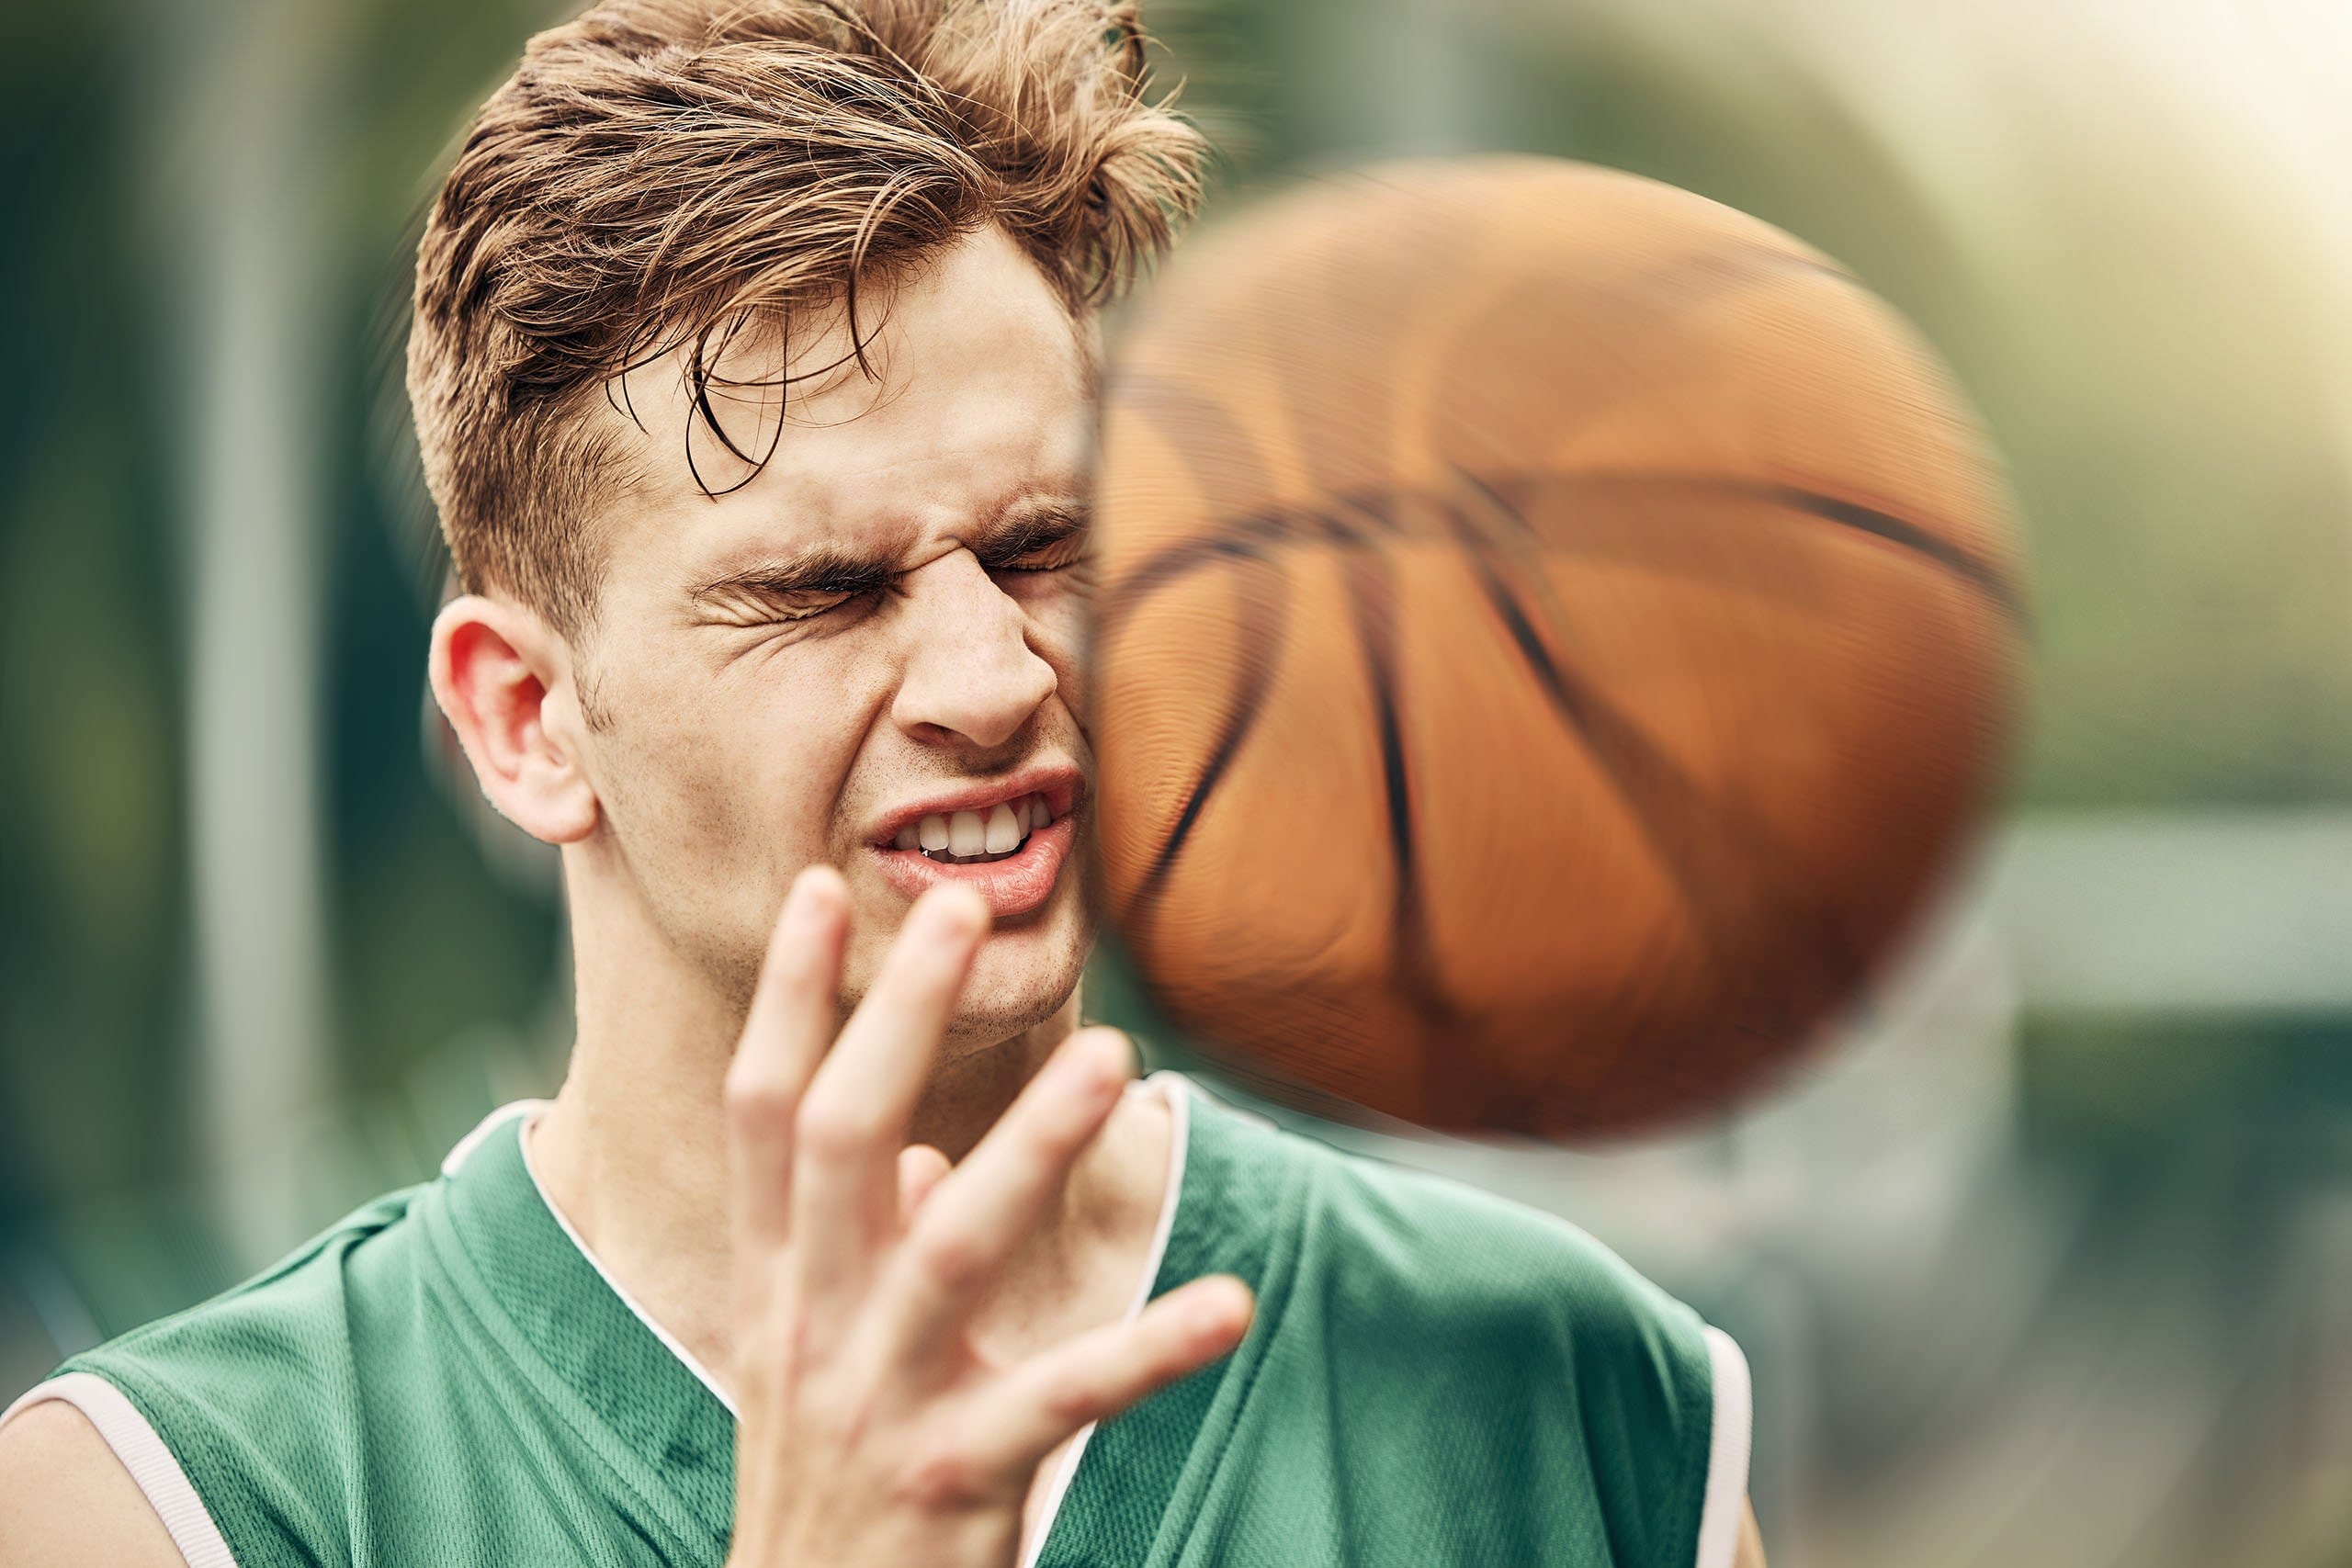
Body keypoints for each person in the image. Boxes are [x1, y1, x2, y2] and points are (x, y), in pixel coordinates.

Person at [0, 2, 1766, 1562]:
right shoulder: (171, 1505)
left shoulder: (1589, 1415)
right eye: (823, 591)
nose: (996, 680)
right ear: (525, 719)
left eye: (1044, 545)